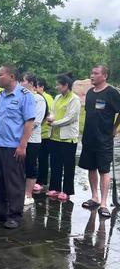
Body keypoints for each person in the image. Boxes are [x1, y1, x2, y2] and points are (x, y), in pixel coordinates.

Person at [0, 64, 36, 229]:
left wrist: (23, 145)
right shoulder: (1, 96)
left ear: (12, 76)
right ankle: (0, 212)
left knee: (14, 183)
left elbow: (29, 121)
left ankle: (14, 215)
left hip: (13, 146)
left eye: (0, 75)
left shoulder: (24, 95)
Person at [79, 65, 120, 218]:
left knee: (104, 170)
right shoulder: (90, 93)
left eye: (95, 73)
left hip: (104, 139)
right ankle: (94, 197)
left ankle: (103, 203)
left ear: (105, 76)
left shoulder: (112, 93)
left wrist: (115, 128)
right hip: (89, 138)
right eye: (91, 72)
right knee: (91, 167)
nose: (92, 75)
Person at [46, 74, 81, 202]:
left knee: (68, 166)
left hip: (68, 138)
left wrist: (53, 123)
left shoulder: (74, 99)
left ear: (66, 85)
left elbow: (70, 118)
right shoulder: (57, 97)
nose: (56, 87)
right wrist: (51, 117)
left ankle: (66, 190)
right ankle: (55, 188)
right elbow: (53, 111)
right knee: (55, 164)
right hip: (55, 137)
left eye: (58, 85)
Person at [20, 73, 46, 207]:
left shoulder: (38, 99)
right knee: (19, 165)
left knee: (30, 165)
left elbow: (36, 121)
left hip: (32, 139)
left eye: (23, 81)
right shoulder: (21, 97)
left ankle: (28, 194)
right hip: (18, 138)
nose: (21, 83)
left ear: (30, 83)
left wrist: (23, 130)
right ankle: (19, 192)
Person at [35, 78, 54, 193]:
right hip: (38, 134)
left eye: (36, 87)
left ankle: (42, 181)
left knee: (43, 159)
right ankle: (38, 180)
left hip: (45, 134)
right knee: (37, 158)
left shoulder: (47, 98)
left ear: (41, 87)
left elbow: (49, 113)